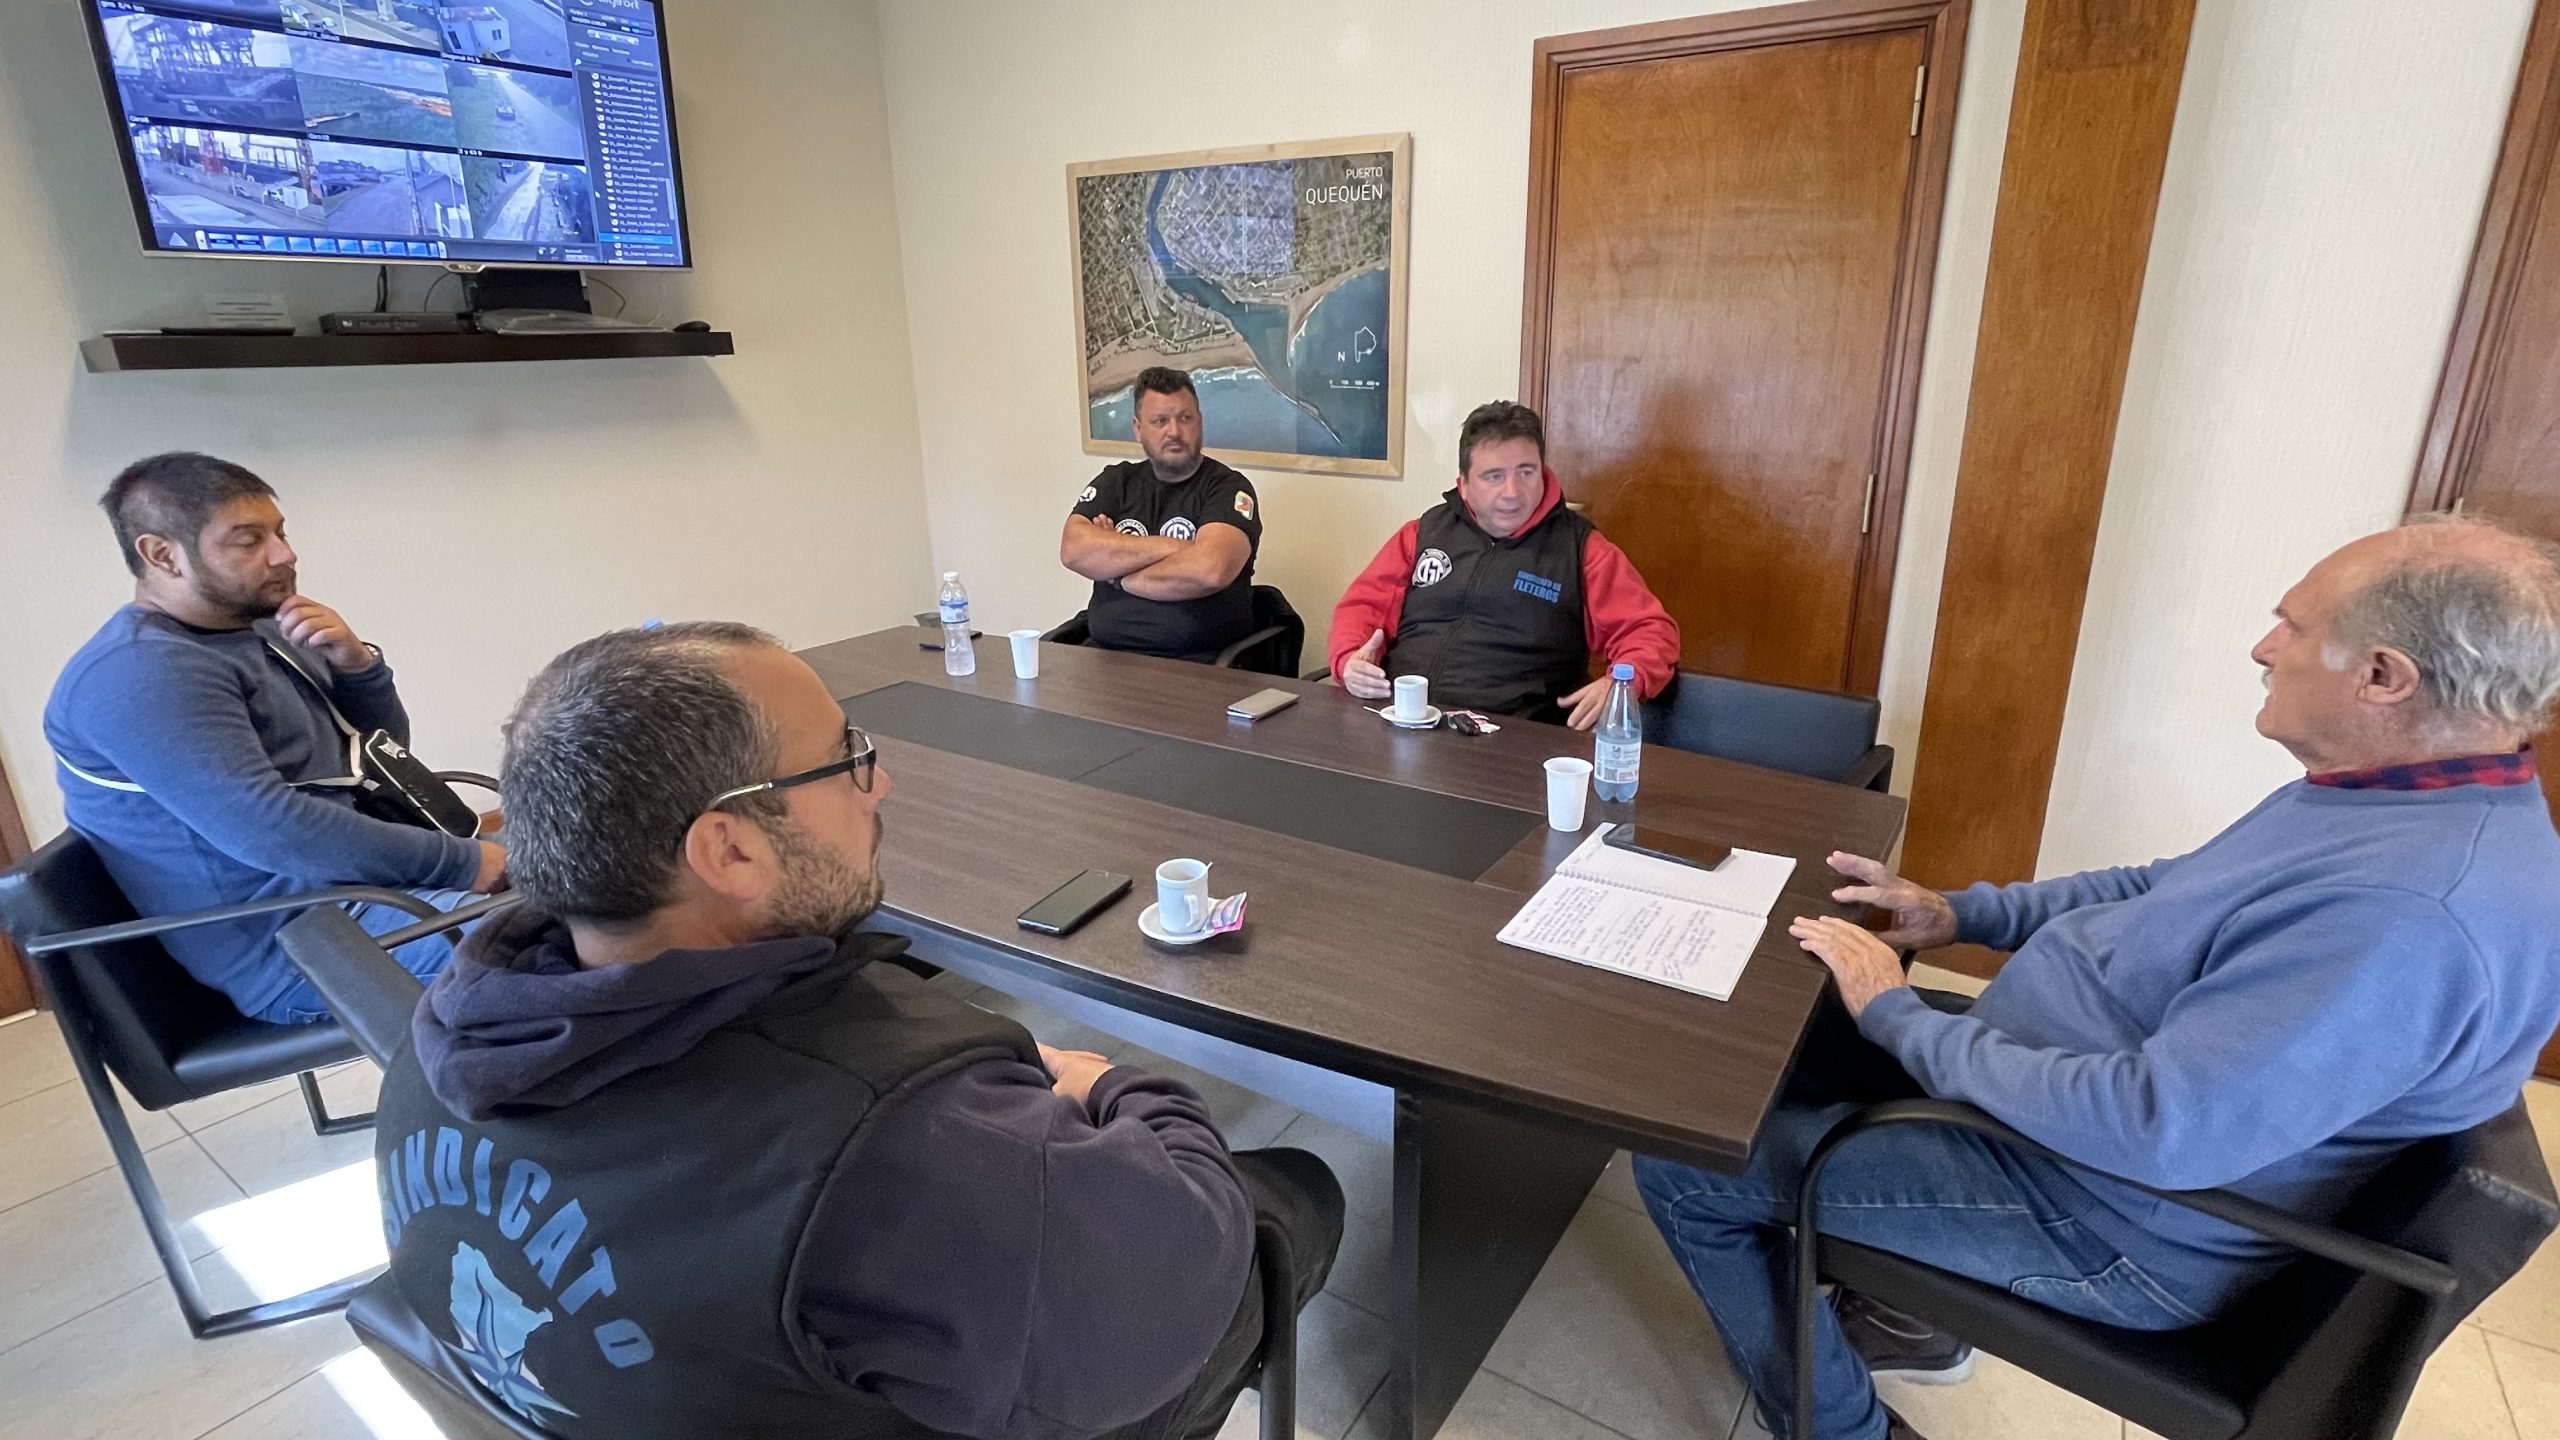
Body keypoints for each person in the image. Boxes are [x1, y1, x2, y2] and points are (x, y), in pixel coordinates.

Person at [1633, 516, 2560, 1440]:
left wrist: (1897, 1016)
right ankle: (1912, 1318)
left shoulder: (2409, 917)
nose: (2263, 647)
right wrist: (1962, 914)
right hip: (2053, 1115)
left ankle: (1840, 1431)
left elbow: (2157, 1128)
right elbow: (2162, 888)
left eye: (2295, 625)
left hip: (2101, 1214)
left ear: (2384, 677)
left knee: (1687, 1169)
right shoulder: (2390, 797)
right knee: (1767, 1025)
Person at [370, 623, 1343, 1440]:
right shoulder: (895, 1143)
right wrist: (1118, 1087)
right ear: (730, 850)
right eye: (848, 762)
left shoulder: (440, 1036)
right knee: (1294, 1194)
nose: (878, 788)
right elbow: (1163, 1291)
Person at [42, 453, 501, 1025]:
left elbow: (377, 758)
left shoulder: (258, 628)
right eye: (249, 540)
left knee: (600, 876)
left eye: (280, 532)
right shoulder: (139, 672)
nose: (285, 554)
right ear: (163, 555)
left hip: (367, 888)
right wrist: (462, 863)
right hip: (300, 946)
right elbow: (275, 829)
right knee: (572, 935)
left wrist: (358, 668)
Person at [1326, 400, 1680, 728]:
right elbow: (1363, 608)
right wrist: (1349, 661)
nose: (1512, 492)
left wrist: (1621, 684)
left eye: (1526, 472)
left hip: (1516, 736)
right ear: (1464, 485)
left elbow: (1650, 633)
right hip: (1404, 719)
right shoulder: (1423, 533)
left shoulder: (1582, 549)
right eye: (1494, 476)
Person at [1061, 367, 1265, 661]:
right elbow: (1073, 550)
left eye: (1185, 418)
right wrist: (1178, 549)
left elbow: (1211, 570)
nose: (1174, 431)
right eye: (1160, 421)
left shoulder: (1228, 488)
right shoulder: (1116, 482)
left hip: (1197, 665)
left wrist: (1118, 574)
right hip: (1105, 658)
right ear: (1138, 428)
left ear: (1200, 421)